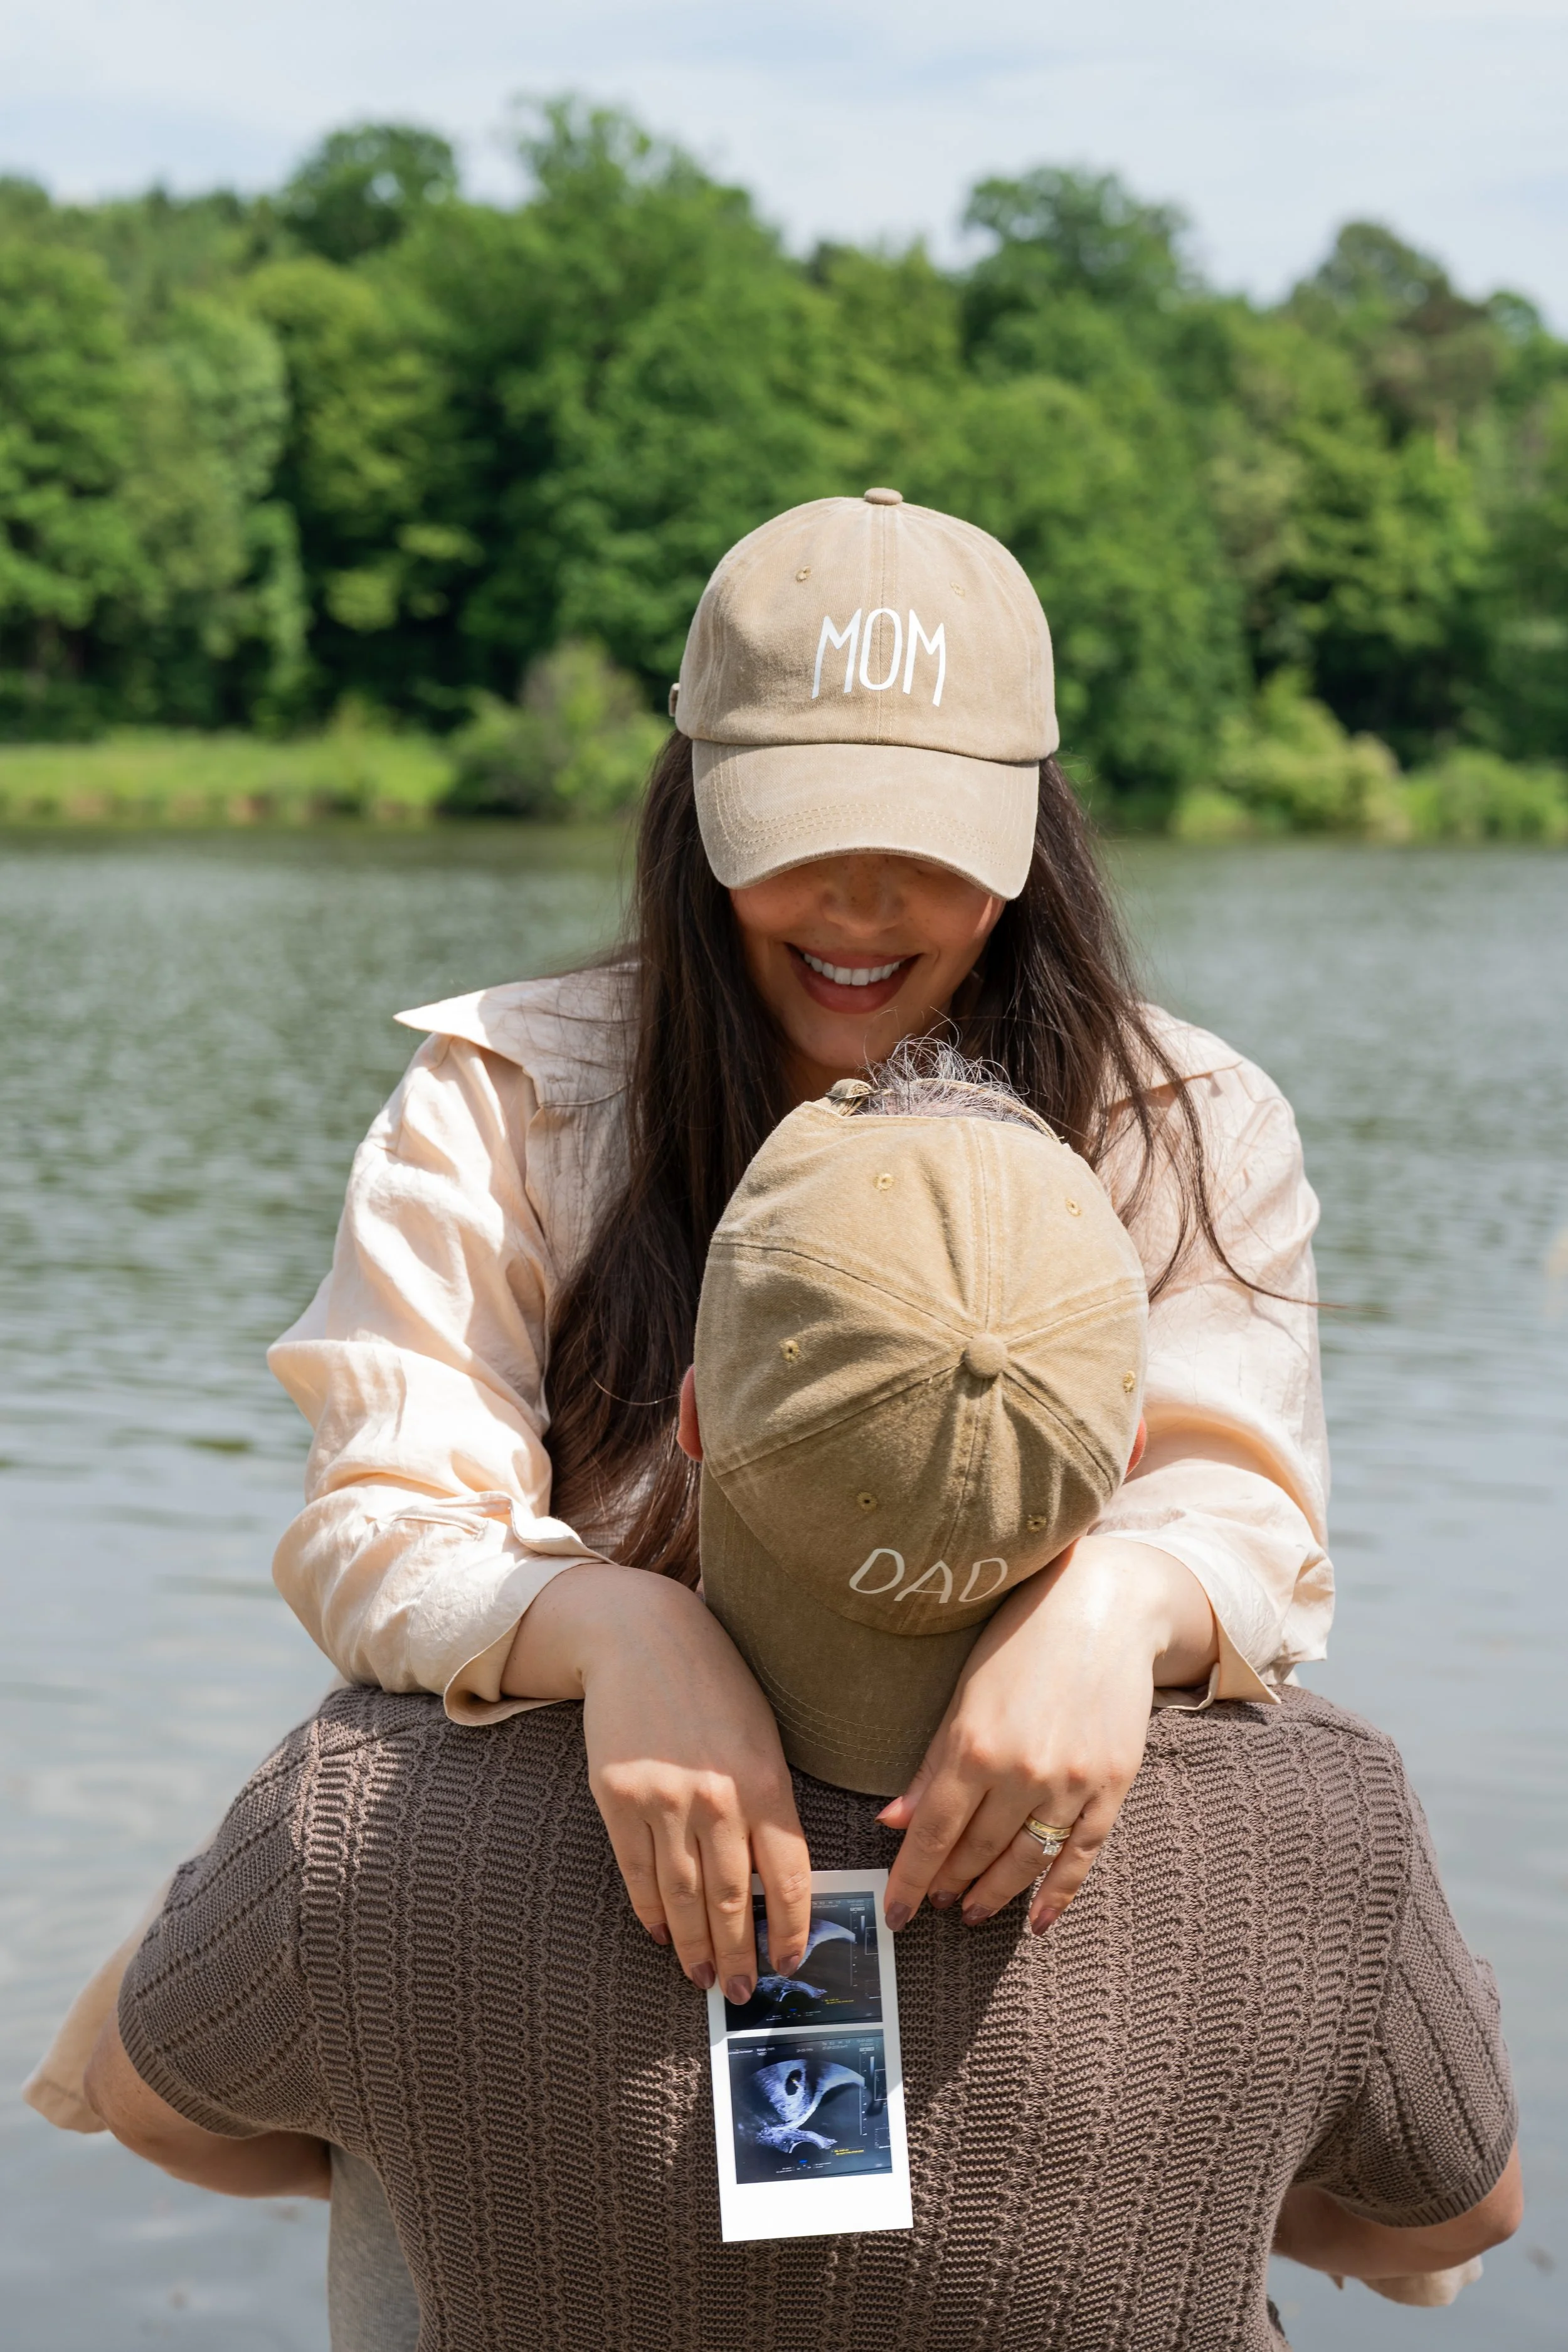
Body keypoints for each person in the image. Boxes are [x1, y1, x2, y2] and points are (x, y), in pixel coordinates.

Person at [27, 483, 1328, 2123]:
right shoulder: (512, 1096)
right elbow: (380, 1505)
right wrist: (619, 1625)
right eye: (798, 840)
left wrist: (1117, 1605)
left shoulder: (1182, 1122)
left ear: (1029, 832)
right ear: (695, 805)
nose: (858, 909)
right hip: (596, 1895)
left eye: (924, 849)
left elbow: (1248, 1516)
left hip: (1013, 1922)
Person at [84, 1061, 1518, 2349]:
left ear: (694, 1415)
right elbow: (1456, 2213)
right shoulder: (1321, 1828)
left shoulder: (362, 1814)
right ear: (1126, 1451)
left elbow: (158, 2109)